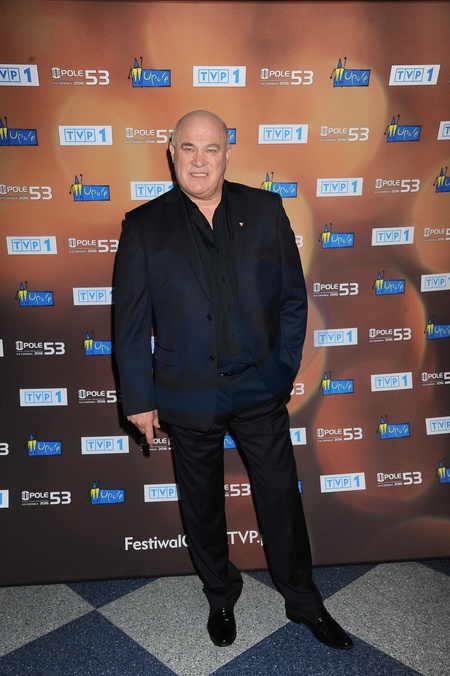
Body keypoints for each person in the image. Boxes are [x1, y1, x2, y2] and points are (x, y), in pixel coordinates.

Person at [114, 110, 353, 650]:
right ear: (171, 152)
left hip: (257, 387)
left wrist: (281, 368)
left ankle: (303, 600)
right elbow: (129, 324)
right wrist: (139, 399)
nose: (199, 161)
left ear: (228, 153)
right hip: (185, 390)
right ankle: (220, 596)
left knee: (280, 499)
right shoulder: (144, 226)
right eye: (188, 148)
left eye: (211, 148)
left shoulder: (265, 210)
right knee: (200, 505)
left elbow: (292, 299)